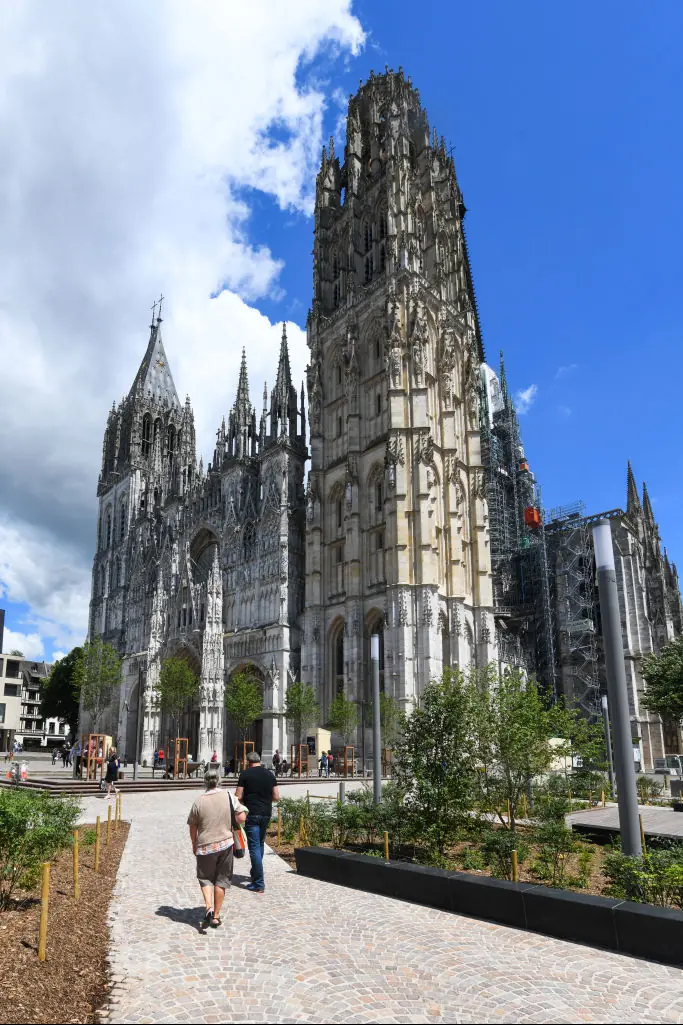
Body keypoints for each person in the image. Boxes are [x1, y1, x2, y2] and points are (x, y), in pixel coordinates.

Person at [187, 767, 247, 930]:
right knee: (221, 880)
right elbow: (241, 818)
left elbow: (192, 826)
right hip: (225, 844)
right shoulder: (229, 796)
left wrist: (194, 843)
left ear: (205, 783)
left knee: (205, 878)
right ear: (219, 781)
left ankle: (209, 907)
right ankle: (216, 917)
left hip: (205, 846)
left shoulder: (199, 801)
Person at [235, 751, 279, 894]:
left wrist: (246, 801)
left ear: (248, 762)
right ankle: (255, 874)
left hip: (252, 813)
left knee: (254, 847)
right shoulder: (269, 774)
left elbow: (238, 796)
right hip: (266, 813)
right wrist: (265, 799)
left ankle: (259, 883)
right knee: (259, 844)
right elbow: (276, 797)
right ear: (259, 760)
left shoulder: (245, 774)